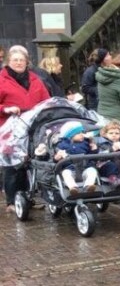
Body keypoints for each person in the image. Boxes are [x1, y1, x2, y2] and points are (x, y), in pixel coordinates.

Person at [1, 45, 50, 212]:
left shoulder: (35, 79)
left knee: (30, 162)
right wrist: (5, 109)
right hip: (10, 129)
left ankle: (28, 198)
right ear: (8, 62)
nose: (19, 63)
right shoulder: (2, 80)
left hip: (33, 127)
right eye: (15, 60)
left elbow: (46, 100)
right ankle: (12, 201)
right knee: (13, 165)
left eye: (22, 60)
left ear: (27, 62)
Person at [54, 121, 98, 195]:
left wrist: (94, 149)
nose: (82, 134)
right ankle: (73, 187)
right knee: (65, 173)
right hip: (70, 169)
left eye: (82, 132)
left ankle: (88, 186)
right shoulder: (62, 145)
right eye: (78, 133)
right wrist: (57, 158)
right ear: (70, 135)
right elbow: (55, 159)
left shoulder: (86, 143)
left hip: (85, 168)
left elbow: (92, 156)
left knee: (92, 171)